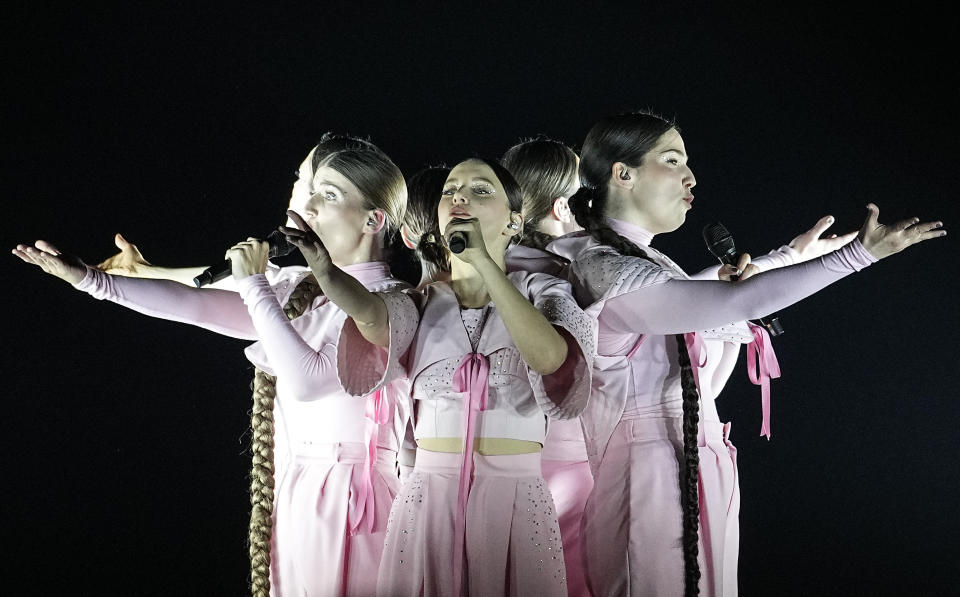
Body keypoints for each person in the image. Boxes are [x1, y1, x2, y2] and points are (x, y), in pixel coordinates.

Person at [546, 110, 945, 597]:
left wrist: (790, 257)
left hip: (695, 462)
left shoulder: (643, 262)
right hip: (645, 476)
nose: (691, 177)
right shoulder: (601, 266)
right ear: (622, 173)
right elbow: (732, 301)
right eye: (672, 161)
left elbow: (701, 294)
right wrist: (858, 255)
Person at [14, 143, 412, 597]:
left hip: (356, 503)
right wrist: (91, 280)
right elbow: (196, 301)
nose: (311, 206)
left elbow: (308, 380)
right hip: (295, 488)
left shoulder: (393, 302)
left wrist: (255, 285)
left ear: (373, 220)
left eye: (331, 195)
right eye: (310, 190)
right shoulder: (297, 288)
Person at [279, 157, 596, 596]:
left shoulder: (543, 291)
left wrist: (484, 263)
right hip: (428, 498)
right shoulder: (421, 301)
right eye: (451, 190)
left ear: (514, 222)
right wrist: (324, 269)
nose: (460, 197)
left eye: (481, 190)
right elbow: (373, 318)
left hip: (514, 498)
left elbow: (551, 358)